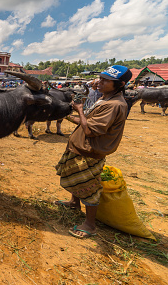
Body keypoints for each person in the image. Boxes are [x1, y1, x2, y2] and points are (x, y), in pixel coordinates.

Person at [55, 65, 132, 239]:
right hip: (81, 147)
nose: (100, 83)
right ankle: (74, 203)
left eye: (106, 81)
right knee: (78, 180)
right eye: (101, 78)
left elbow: (90, 130)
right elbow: (86, 122)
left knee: (88, 186)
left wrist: (80, 110)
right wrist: (66, 114)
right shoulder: (105, 99)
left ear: (120, 84)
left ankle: (90, 225)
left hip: (90, 151)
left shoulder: (114, 105)